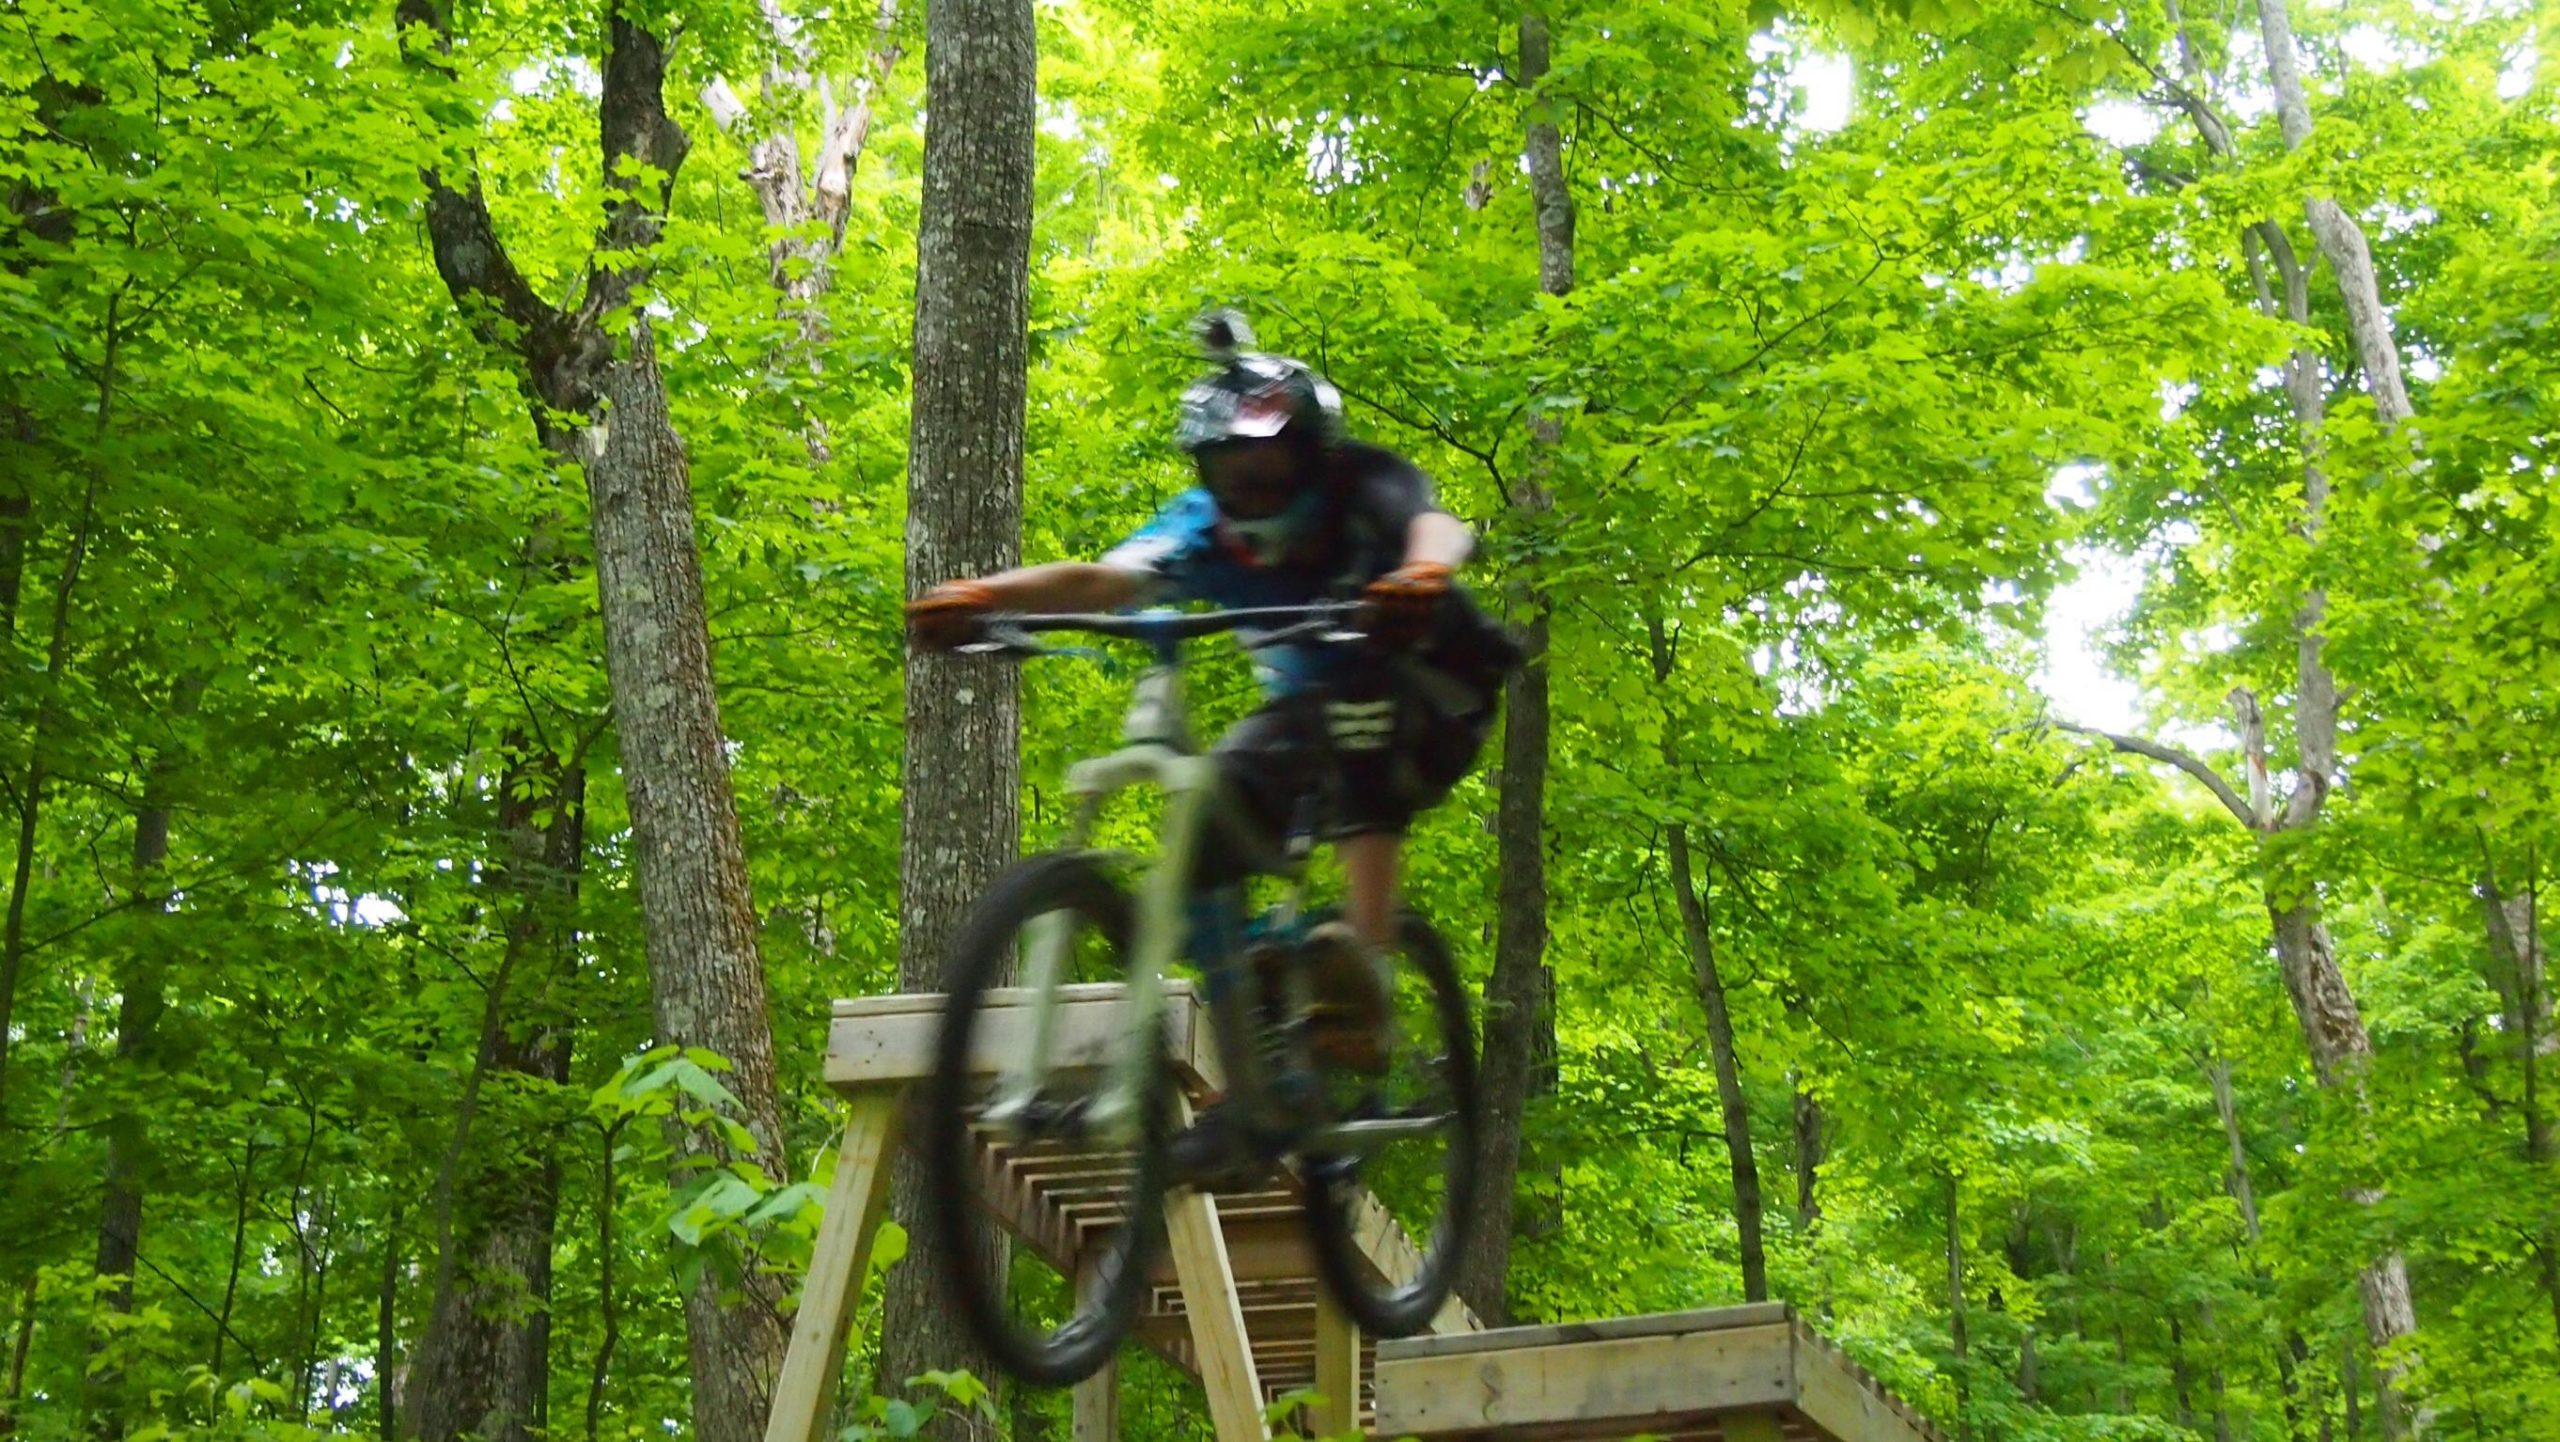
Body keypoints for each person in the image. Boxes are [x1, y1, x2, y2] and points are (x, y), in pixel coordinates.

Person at [906, 310, 1517, 1077]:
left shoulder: (1364, 485)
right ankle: (1252, 1083)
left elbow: (1438, 529)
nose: (1248, 493)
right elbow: (1103, 580)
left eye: (1265, 475)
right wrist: (982, 595)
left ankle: (1368, 975)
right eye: (1227, 475)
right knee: (1208, 811)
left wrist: (1419, 576)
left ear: (1311, 461)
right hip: (1307, 717)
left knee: (1359, 699)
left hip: (1438, 696)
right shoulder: (1203, 528)